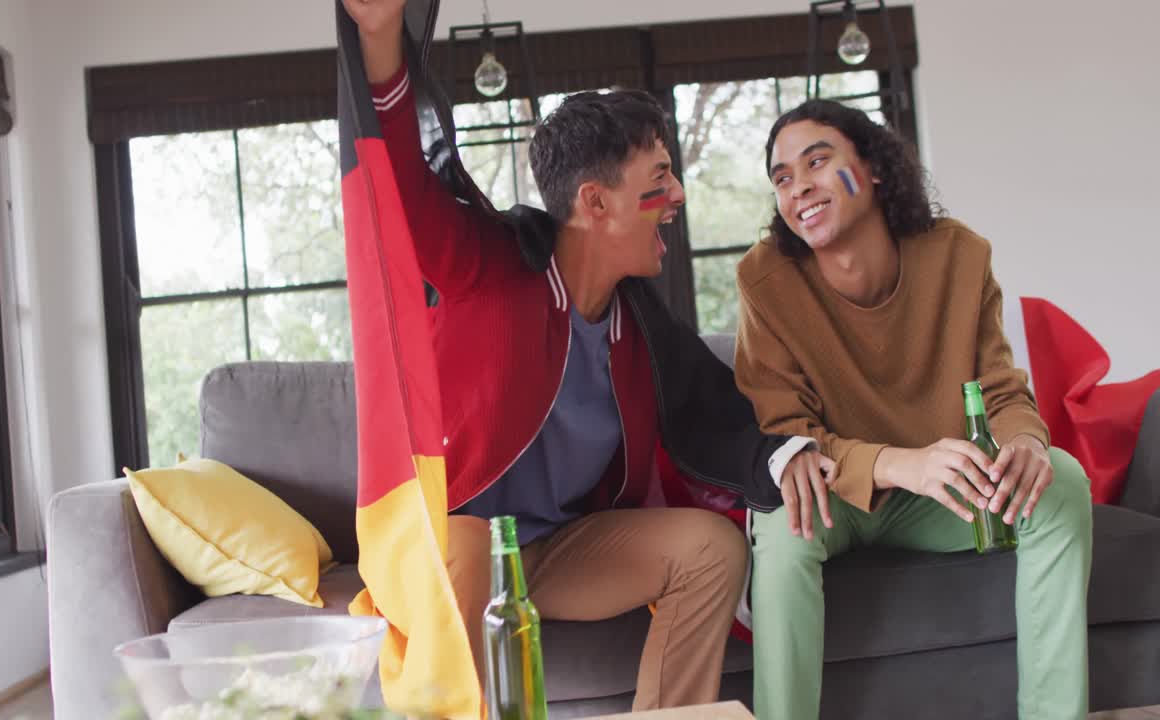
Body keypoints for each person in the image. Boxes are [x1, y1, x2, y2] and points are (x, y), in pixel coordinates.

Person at [341, 0, 833, 710]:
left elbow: (714, 411)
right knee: (470, 545)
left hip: (556, 552)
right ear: (596, 203)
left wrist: (789, 456)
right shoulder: (489, 263)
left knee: (710, 549)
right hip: (452, 544)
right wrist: (383, 35)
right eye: (658, 180)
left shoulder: (641, 322)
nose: (677, 196)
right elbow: (407, 188)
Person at [735, 99, 1094, 720]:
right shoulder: (764, 280)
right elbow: (787, 430)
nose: (800, 188)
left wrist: (1025, 444)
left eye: (818, 161)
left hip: (948, 492)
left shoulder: (960, 255)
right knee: (781, 526)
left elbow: (1002, 389)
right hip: (836, 495)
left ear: (871, 167)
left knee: (1060, 483)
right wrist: (900, 464)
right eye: (783, 177)